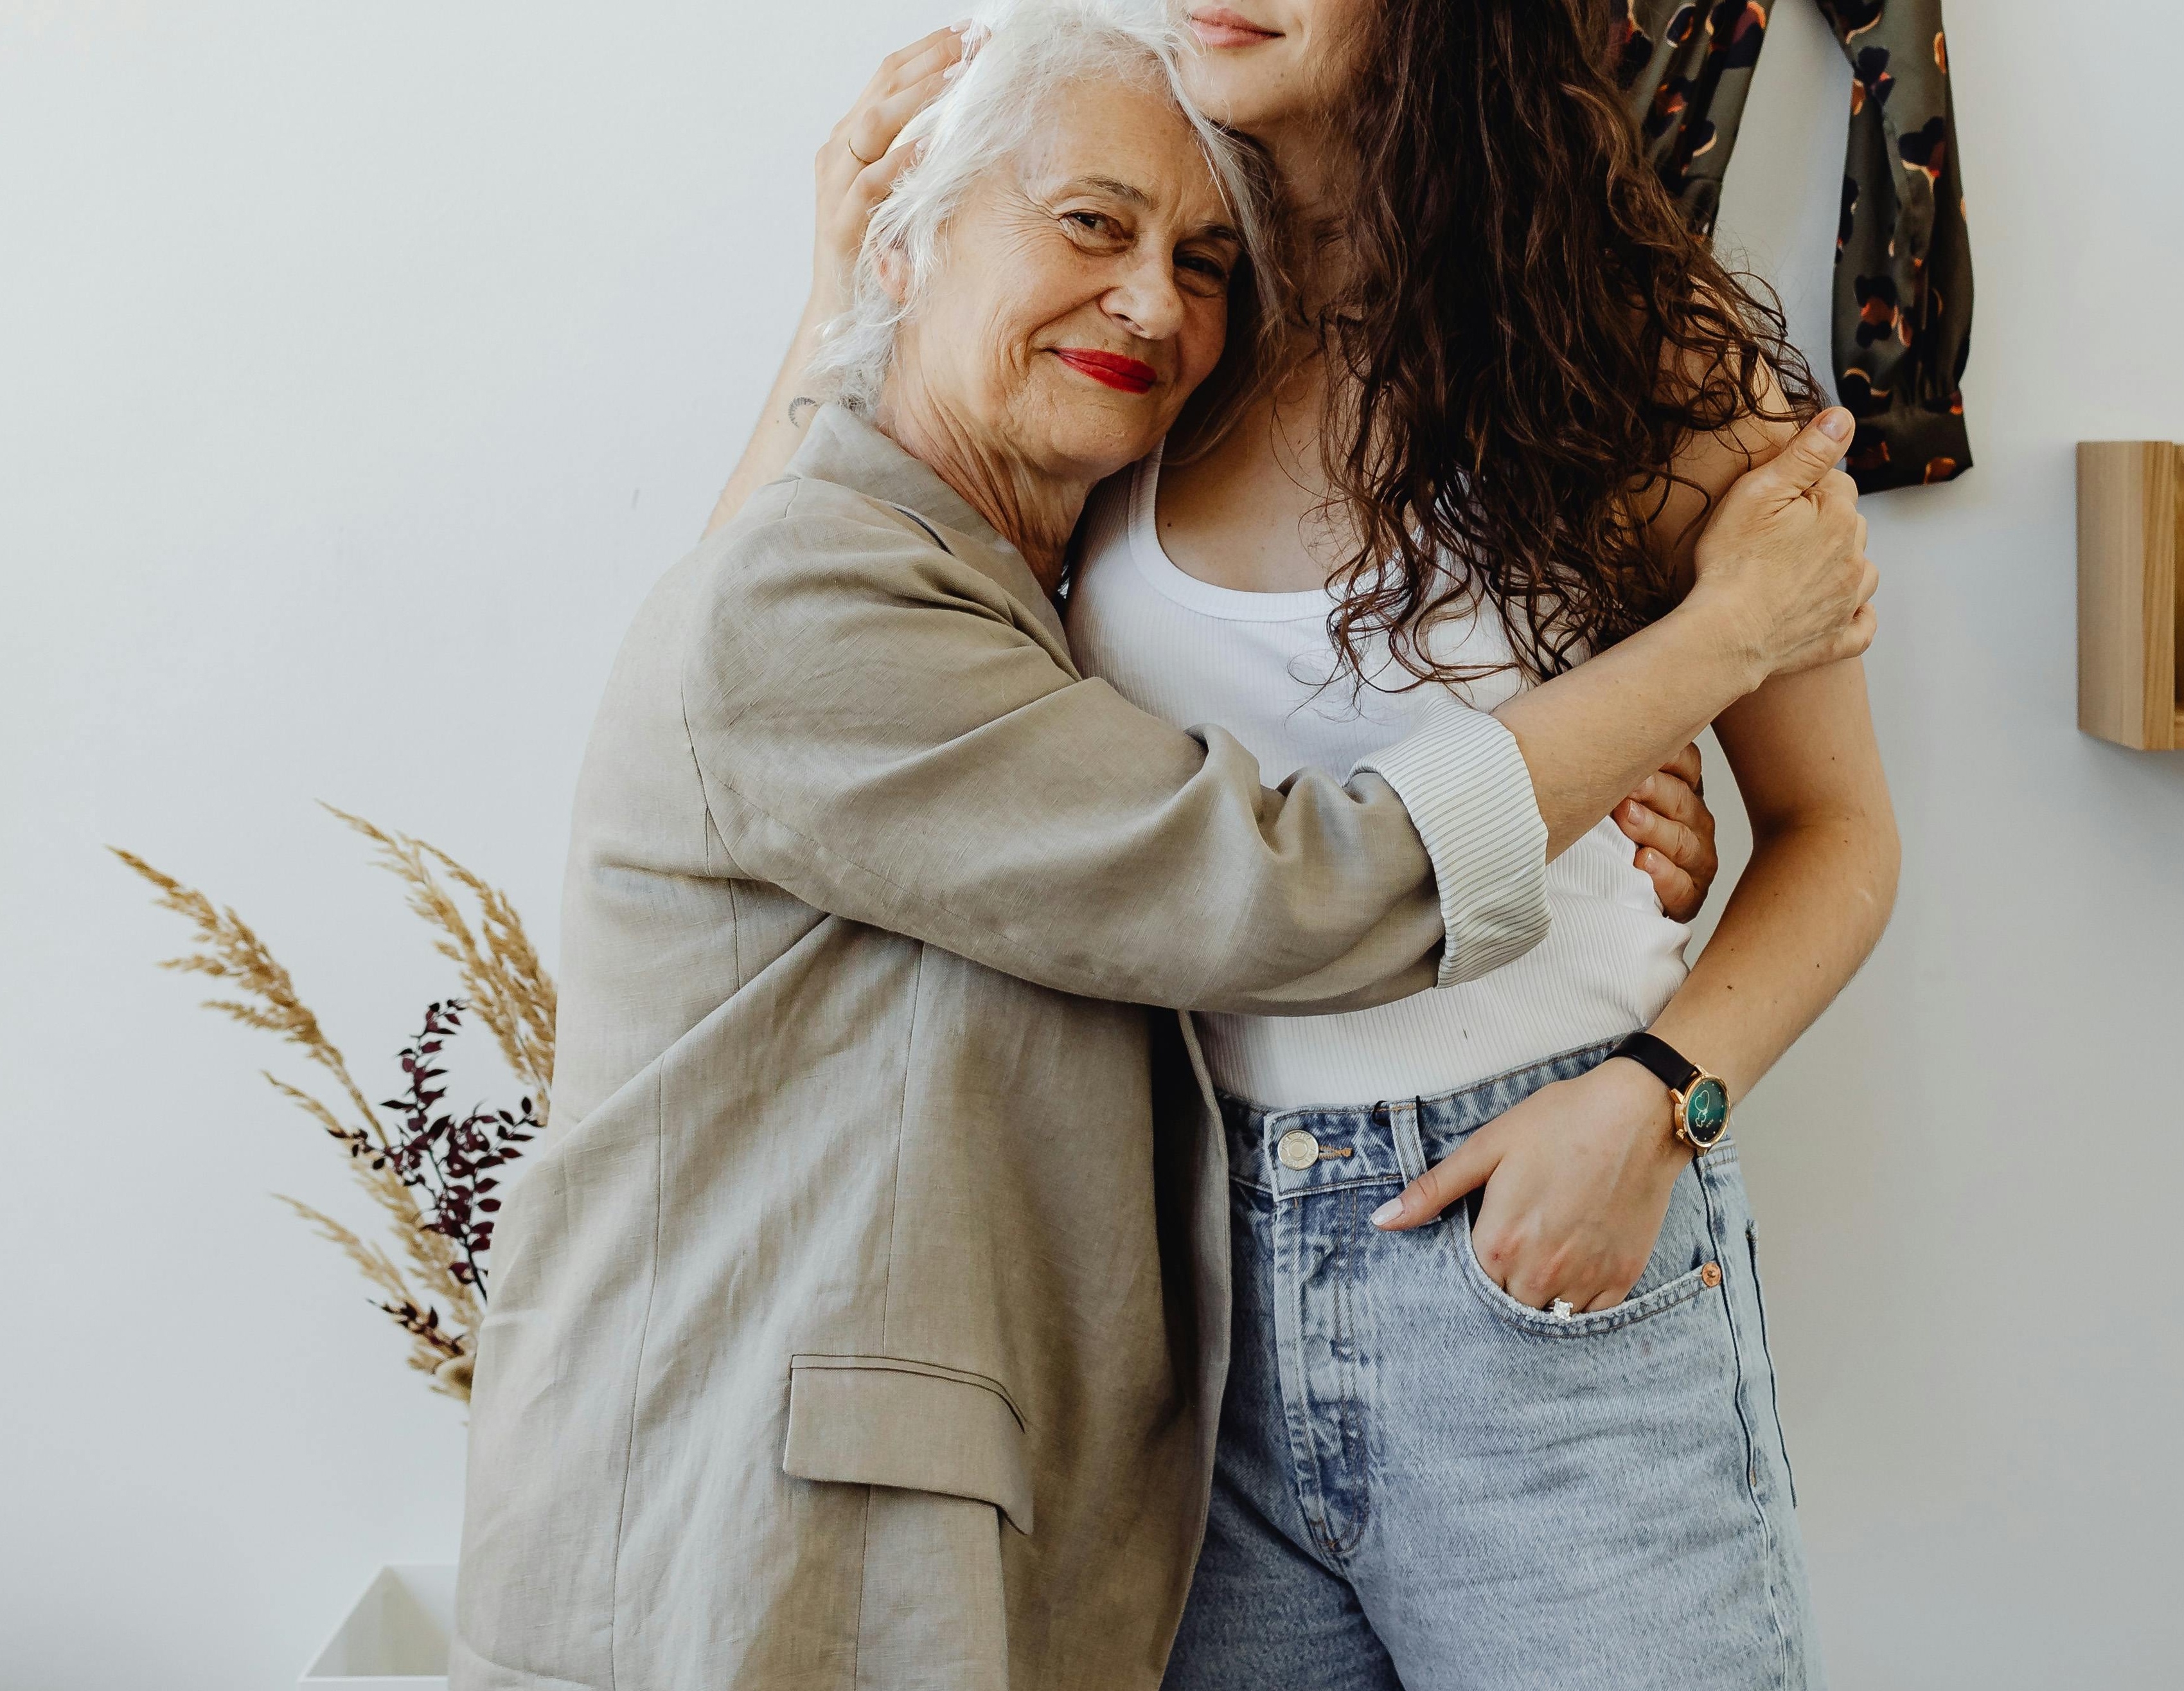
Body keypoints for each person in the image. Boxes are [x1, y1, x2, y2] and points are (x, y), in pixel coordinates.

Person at [452, 6, 1876, 1690]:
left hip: (1521, 1240)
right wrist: (1687, 670)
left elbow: (1838, 830)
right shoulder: (1088, 423)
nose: (1148, 286)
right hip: (1183, 1295)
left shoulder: (1562, 347)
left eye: (1182, 250)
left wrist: (1658, 1095)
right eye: (1091, 228)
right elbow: (797, 646)